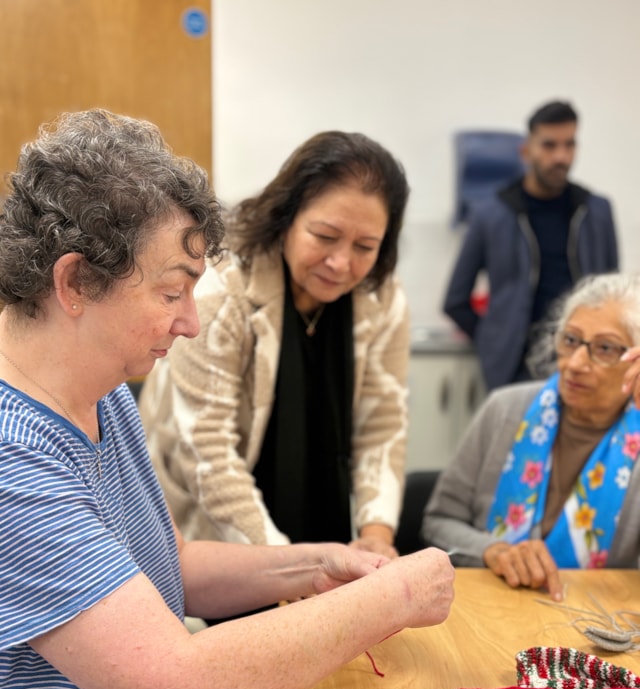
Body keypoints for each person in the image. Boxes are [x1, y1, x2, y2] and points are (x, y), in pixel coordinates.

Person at [0, 109, 455, 689]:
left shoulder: (102, 386)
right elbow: (173, 683)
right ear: (77, 280)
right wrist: (394, 595)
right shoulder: (15, 462)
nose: (189, 322)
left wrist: (316, 562)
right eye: (172, 291)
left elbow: (165, 564)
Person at [138, 131, 410, 560]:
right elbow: (207, 454)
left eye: (365, 247)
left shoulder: (382, 298)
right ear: (287, 217)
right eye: (324, 236)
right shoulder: (222, 288)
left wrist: (376, 534)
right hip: (208, 531)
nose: (341, 262)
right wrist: (287, 569)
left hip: (318, 524)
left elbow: (383, 425)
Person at [423, 273, 640, 603]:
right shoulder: (505, 410)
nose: (576, 363)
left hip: (596, 621)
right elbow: (438, 522)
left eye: (605, 348)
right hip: (489, 606)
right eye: (570, 340)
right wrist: (492, 551)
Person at [443, 100, 619, 391]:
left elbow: (613, 293)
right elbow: (455, 300)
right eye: (549, 145)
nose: (561, 156)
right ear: (526, 150)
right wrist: (495, 341)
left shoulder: (596, 211)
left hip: (585, 365)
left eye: (569, 144)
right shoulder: (492, 213)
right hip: (515, 370)